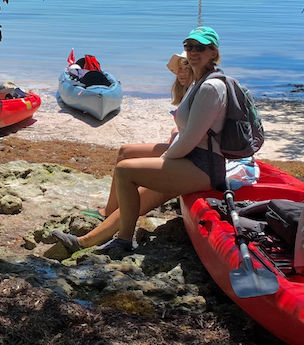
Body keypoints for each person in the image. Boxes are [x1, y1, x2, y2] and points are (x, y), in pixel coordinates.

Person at [48, 25, 232, 255]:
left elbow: (191, 138)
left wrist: (162, 162)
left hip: (203, 166)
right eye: (189, 46)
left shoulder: (211, 87)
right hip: (191, 156)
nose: (193, 52)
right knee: (126, 154)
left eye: (201, 48)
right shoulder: (200, 82)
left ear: (213, 52)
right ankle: (94, 233)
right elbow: (188, 135)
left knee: (127, 171)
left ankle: (122, 240)